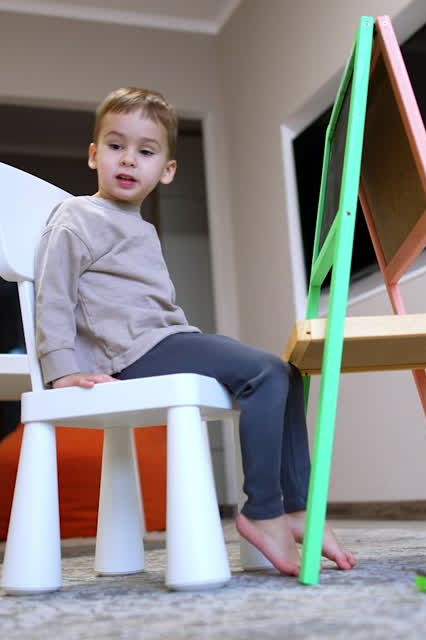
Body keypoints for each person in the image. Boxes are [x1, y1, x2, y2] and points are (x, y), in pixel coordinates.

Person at [33, 86, 356, 576]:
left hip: (164, 339)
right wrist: (62, 371)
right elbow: (52, 296)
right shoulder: (77, 216)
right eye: (116, 146)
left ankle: (298, 508)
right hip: (130, 355)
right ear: (94, 154)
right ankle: (263, 510)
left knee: (288, 374)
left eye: (145, 151)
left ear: (166, 171)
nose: (128, 160)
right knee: (267, 373)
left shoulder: (141, 227)